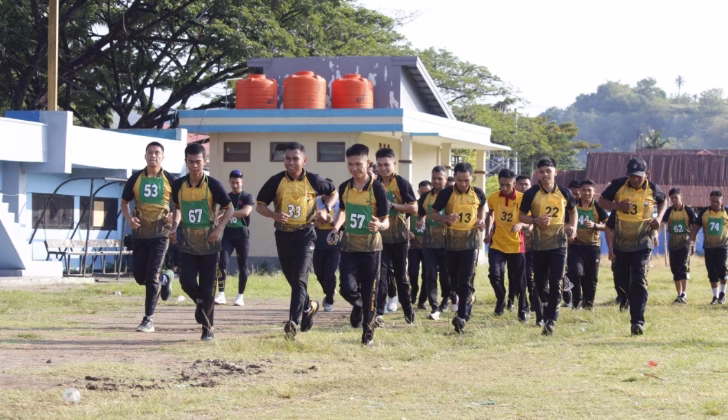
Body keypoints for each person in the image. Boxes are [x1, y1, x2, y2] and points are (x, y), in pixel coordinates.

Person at [256, 142, 338, 339]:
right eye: (287, 158)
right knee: (292, 277)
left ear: (304, 160)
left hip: (306, 234)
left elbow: (333, 193)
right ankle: (309, 307)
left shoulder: (314, 180)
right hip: (283, 234)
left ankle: (293, 321)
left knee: (300, 278)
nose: (291, 162)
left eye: (295, 158)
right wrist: (273, 215)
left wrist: (325, 209)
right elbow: (259, 206)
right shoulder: (276, 181)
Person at [329, 144, 389, 346]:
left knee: (370, 292)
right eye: (350, 164)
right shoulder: (344, 187)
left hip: (372, 249)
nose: (354, 168)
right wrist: (336, 227)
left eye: (358, 164)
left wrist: (379, 225)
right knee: (346, 288)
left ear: (368, 163)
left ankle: (368, 334)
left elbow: (386, 221)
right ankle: (358, 305)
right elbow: (342, 211)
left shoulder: (378, 189)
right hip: (349, 247)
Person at [171, 143, 233, 341]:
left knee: (208, 288)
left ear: (205, 162)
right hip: (187, 242)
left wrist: (219, 228)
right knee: (186, 282)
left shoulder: (213, 185)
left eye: (198, 162)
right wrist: (173, 226)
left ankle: (208, 329)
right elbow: (177, 208)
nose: (194, 166)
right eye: (190, 162)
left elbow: (229, 208)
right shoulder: (178, 185)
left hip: (209, 243)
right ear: (186, 162)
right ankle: (200, 303)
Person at [599, 157, 666, 336]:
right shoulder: (618, 185)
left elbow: (663, 200)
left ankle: (637, 321)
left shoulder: (653, 188)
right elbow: (601, 201)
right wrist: (617, 206)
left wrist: (658, 218)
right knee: (622, 280)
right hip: (621, 243)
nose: (635, 179)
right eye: (632, 176)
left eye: (638, 176)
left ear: (647, 174)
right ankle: (626, 300)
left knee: (639, 279)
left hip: (643, 242)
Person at [121, 141, 177, 333]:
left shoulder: (171, 179)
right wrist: (129, 219)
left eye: (157, 153)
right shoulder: (136, 178)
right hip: (140, 233)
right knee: (140, 277)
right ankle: (165, 279)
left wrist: (173, 216)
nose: (153, 155)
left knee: (152, 275)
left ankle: (148, 319)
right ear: (145, 156)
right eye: (150, 152)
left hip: (161, 233)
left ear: (163, 157)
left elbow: (181, 204)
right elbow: (124, 202)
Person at [519, 157, 577, 335]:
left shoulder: (565, 192)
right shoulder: (531, 193)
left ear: (555, 172)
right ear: (537, 173)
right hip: (538, 245)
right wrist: (536, 220)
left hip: (559, 244)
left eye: (548, 171)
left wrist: (573, 227)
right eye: (542, 172)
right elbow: (521, 216)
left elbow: (573, 210)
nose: (545, 175)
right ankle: (548, 304)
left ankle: (551, 320)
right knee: (539, 283)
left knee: (555, 281)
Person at [430, 162, 486, 333]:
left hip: (471, 243)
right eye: (460, 180)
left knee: (465, 281)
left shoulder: (478, 193)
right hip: (452, 243)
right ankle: (469, 299)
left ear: (472, 178)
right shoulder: (446, 193)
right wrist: (445, 218)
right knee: (453, 283)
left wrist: (481, 220)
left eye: (466, 180)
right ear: (454, 177)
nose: (463, 184)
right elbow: (433, 213)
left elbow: (482, 208)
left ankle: (461, 317)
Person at [374, 148, 417, 326]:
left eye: (386, 165)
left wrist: (392, 205)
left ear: (394, 164)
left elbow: (414, 208)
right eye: (379, 165)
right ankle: (378, 313)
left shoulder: (402, 183)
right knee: (380, 275)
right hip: (380, 238)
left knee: (401, 276)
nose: (383, 168)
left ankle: (407, 309)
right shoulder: (374, 184)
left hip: (399, 237)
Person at [485, 169, 529, 322]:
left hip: (516, 245)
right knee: (494, 275)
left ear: (514, 183)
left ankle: (522, 310)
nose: (504, 188)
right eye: (501, 184)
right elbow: (490, 214)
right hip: (497, 243)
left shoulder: (523, 199)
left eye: (507, 185)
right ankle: (501, 298)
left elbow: (530, 220)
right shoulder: (493, 197)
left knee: (519, 280)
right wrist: (488, 231)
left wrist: (521, 224)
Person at [417, 166, 454, 320]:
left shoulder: (453, 195)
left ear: (446, 179)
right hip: (429, 244)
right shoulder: (425, 197)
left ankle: (446, 298)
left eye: (440, 178)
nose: (436, 181)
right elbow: (420, 214)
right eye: (434, 178)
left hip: (447, 244)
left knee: (445, 276)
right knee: (430, 275)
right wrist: (420, 220)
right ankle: (434, 306)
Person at [215, 170, 254, 306]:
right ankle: (221, 294)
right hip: (228, 234)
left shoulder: (247, 196)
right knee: (222, 262)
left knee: (242, 265)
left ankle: (240, 296)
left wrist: (228, 213)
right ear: (229, 182)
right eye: (232, 182)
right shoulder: (226, 197)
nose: (235, 185)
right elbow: (220, 214)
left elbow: (245, 212)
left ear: (242, 182)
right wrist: (219, 218)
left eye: (237, 182)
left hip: (242, 235)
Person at [568, 179, 608, 309]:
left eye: (589, 190)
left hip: (593, 246)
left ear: (594, 191)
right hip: (576, 246)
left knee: (591, 278)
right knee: (576, 273)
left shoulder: (598, 207)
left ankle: (588, 305)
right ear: (580, 191)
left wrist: (595, 225)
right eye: (584, 190)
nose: (586, 193)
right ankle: (576, 302)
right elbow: (564, 223)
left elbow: (608, 225)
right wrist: (569, 234)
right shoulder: (573, 206)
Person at [689, 190, 728, 305]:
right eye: (712, 201)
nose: (714, 203)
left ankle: (722, 294)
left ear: (722, 201)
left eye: (717, 201)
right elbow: (696, 226)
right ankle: (715, 296)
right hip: (709, 247)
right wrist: (691, 239)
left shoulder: (726, 212)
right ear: (709, 200)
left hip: (723, 246)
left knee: (722, 268)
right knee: (711, 271)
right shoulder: (704, 212)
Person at [662, 188, 696, 304]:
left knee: (683, 266)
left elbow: (694, 228)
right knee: (675, 269)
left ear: (681, 196)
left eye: (675, 197)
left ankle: (684, 294)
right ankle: (679, 294)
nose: (674, 200)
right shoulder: (669, 211)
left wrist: (693, 243)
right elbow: (662, 223)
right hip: (673, 244)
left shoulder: (688, 211)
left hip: (685, 243)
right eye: (671, 198)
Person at [313, 180, 341, 312]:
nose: (325, 195)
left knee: (330, 272)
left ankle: (329, 300)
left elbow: (342, 224)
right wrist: (317, 221)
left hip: (333, 240)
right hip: (318, 240)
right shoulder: (315, 202)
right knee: (319, 272)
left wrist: (332, 221)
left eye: (328, 193)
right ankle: (329, 290)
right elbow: (312, 224)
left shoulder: (339, 204)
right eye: (323, 193)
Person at [409, 180, 431, 309]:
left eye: (427, 193)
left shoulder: (434, 206)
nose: (424, 195)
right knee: (412, 273)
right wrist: (407, 231)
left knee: (427, 275)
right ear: (418, 192)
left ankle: (422, 301)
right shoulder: (413, 206)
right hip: (413, 247)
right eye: (422, 193)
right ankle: (413, 292)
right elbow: (403, 220)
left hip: (428, 247)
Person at [514, 175, 535, 312]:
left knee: (530, 276)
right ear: (515, 185)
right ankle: (521, 304)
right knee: (517, 278)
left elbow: (534, 221)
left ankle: (534, 301)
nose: (524, 187)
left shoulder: (534, 201)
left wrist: (527, 226)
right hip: (514, 247)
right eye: (521, 184)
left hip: (530, 246)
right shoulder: (510, 201)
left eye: (526, 184)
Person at [562, 180, 582, 307]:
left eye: (577, 193)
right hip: (566, 243)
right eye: (572, 193)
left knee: (578, 272)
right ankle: (568, 296)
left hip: (583, 244)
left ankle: (578, 298)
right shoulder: (564, 205)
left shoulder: (585, 204)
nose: (574, 196)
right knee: (565, 270)